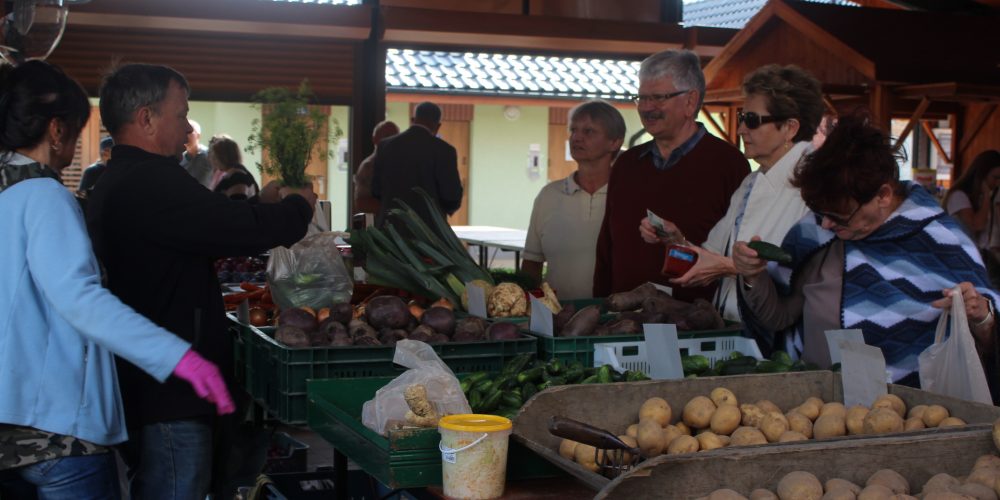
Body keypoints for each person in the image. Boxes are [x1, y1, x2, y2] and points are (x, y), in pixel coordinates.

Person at [0, 60, 233, 499]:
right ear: (55, 130)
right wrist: (179, 357)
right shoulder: (44, 196)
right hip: (57, 431)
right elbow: (80, 299)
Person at [86, 63, 316, 500]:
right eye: (181, 114)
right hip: (168, 394)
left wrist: (263, 203)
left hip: (152, 381)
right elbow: (229, 228)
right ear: (146, 119)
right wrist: (297, 209)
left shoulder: (126, 178)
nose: (188, 126)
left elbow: (198, 224)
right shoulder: (149, 180)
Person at [733, 115, 999, 390]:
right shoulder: (813, 232)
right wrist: (753, 276)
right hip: (817, 405)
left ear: (883, 195)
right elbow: (778, 317)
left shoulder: (942, 240)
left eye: (840, 216)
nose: (826, 224)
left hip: (917, 413)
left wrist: (982, 317)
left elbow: (989, 337)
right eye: (822, 213)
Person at [638, 64, 824, 330]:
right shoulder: (751, 182)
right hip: (735, 323)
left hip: (787, 335)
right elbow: (712, 254)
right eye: (741, 117)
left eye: (752, 120)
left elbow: (804, 271)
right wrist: (675, 239)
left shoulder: (815, 183)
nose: (740, 130)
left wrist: (727, 266)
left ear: (790, 128)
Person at [593, 49, 750, 302]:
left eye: (658, 98)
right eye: (641, 98)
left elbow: (737, 254)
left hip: (695, 325)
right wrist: (599, 306)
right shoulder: (627, 164)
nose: (646, 108)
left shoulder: (728, 164)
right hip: (621, 322)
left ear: (690, 101)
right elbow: (606, 248)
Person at [522, 100, 625, 299]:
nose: (576, 138)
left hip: (615, 321)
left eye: (588, 131)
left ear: (615, 142)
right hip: (556, 320)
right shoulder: (548, 196)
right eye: (573, 130)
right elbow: (531, 264)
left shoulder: (628, 196)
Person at [372, 102, 462, 230]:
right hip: (428, 232)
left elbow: (376, 190)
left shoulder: (385, 146)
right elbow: (451, 196)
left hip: (390, 230)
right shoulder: (444, 151)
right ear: (438, 126)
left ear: (413, 120)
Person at [943, 150, 1000, 284]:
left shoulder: (981, 199)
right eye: (995, 177)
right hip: (963, 258)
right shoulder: (959, 196)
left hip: (982, 256)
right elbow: (976, 225)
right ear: (982, 175)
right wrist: (987, 196)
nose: (997, 183)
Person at [354, 120, 399, 214]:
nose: (391, 140)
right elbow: (361, 203)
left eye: (396, 137)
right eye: (387, 136)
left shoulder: (403, 163)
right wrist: (393, 210)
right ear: (374, 139)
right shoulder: (368, 166)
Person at [209, 133, 259, 200]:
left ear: (223, 157)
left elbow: (237, 204)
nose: (211, 160)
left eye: (214, 156)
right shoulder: (234, 173)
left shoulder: (238, 176)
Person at [180, 118, 212, 188]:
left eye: (189, 133)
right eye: (183, 133)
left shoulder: (210, 156)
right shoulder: (180, 159)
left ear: (198, 136)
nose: (185, 136)